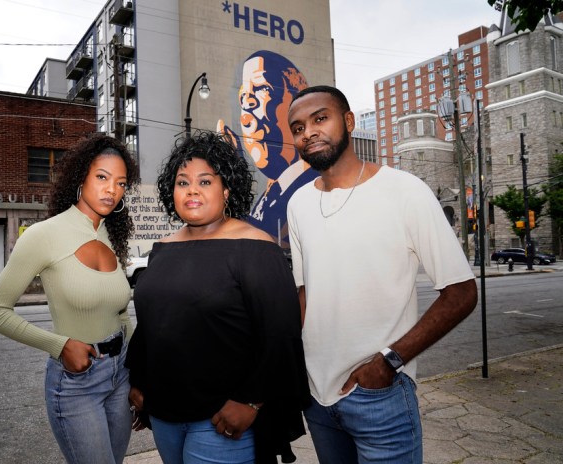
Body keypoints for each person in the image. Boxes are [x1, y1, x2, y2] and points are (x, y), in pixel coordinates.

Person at [286, 85, 478, 463]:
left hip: (379, 394)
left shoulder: (405, 191)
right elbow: (304, 294)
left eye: (320, 118)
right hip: (316, 396)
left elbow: (461, 292)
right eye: (297, 127)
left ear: (348, 121)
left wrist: (389, 362)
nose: (308, 132)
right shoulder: (298, 203)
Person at [126, 131, 310, 464]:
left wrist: (251, 401)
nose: (192, 189)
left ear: (226, 190)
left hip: (222, 420)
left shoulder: (257, 246)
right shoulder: (163, 249)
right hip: (164, 413)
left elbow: (281, 335)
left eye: (205, 181)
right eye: (182, 182)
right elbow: (151, 326)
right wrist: (138, 381)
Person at [0, 133, 139, 464]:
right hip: (77, 382)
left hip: (122, 373)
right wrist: (60, 345)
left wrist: (142, 369)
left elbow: (121, 315)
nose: (112, 190)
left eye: (121, 183)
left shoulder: (111, 235)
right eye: (102, 177)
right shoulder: (44, 235)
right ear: (80, 176)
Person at [217, 50, 317, 243]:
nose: (246, 112)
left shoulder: (314, 188)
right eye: (243, 99)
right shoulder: (269, 193)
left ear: (297, 107)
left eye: (262, 89)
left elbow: (264, 242)